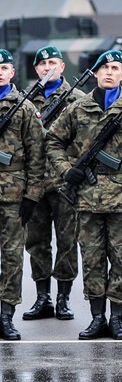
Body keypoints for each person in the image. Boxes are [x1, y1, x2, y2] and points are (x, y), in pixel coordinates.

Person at [46, 49, 122, 340]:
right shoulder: (78, 108)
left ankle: (118, 319)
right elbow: (53, 141)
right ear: (95, 73)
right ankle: (97, 318)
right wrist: (66, 169)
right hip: (88, 198)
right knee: (93, 259)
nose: (109, 72)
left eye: (115, 67)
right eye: (104, 67)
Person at [22, 45, 84, 322]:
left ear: (62, 66)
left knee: (68, 241)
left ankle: (63, 298)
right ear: (36, 69)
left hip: (64, 183)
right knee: (37, 242)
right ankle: (42, 297)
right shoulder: (24, 102)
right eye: (42, 64)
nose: (48, 67)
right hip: (34, 182)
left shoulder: (79, 99)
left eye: (53, 62)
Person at [0, 49, 45, 340]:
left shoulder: (24, 107)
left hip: (13, 195)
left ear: (12, 72)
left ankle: (5, 315)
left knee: (12, 257)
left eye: (4, 67)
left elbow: (37, 154)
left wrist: (32, 194)